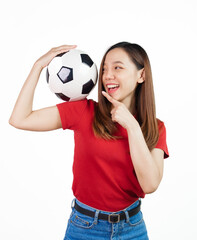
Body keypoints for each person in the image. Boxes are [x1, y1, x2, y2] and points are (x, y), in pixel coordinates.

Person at [9, 42, 169, 239]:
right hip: (85, 228)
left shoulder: (156, 127)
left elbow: (150, 185)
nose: (108, 75)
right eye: (104, 69)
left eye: (117, 67)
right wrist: (38, 66)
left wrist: (132, 127)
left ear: (141, 75)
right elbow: (19, 119)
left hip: (132, 228)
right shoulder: (84, 112)